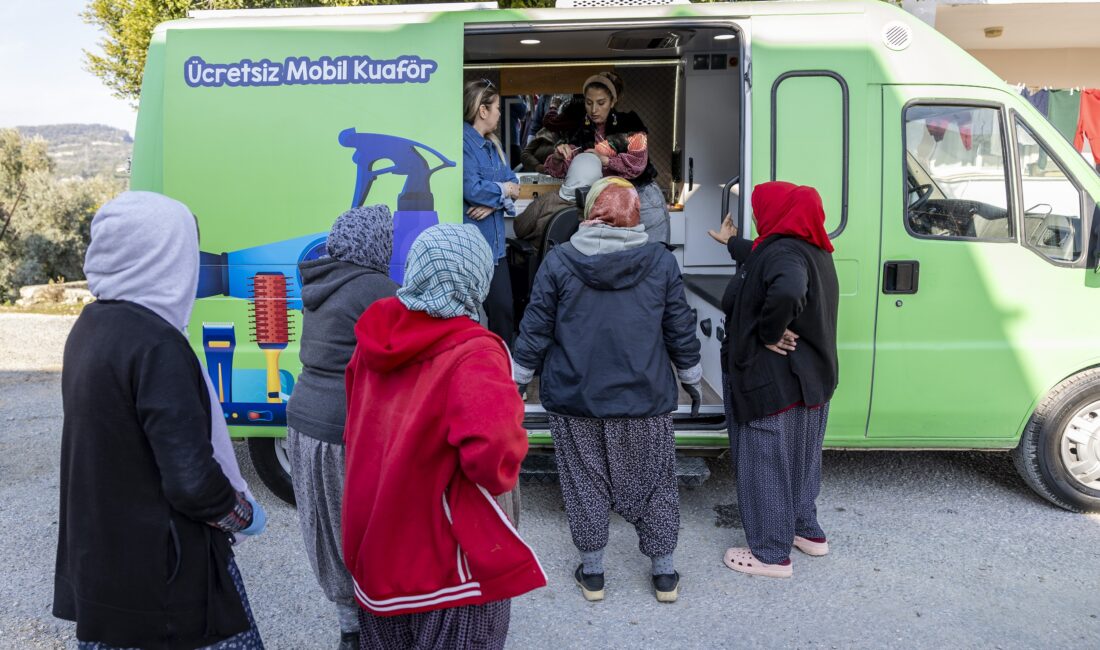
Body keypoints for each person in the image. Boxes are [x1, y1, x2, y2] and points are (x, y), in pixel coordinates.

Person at [54, 191, 266, 649]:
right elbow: (191, 481)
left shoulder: (92, 326)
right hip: (164, 579)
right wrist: (243, 515)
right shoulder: (157, 343)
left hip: (109, 563)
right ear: (163, 255)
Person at [343, 223, 546, 649]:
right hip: (444, 562)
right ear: (474, 279)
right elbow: (495, 458)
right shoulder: (474, 351)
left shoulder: (373, 335)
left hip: (376, 547)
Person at [512, 177, 702, 604]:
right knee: (654, 482)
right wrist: (691, 380)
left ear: (590, 211)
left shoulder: (560, 261)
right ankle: (664, 574)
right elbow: (679, 327)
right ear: (635, 215)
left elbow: (536, 326)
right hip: (644, 398)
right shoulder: (660, 262)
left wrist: (518, 380)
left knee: (585, 482)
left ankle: (594, 573)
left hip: (575, 397)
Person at [708, 181, 840, 579]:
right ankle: (805, 530)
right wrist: (730, 242)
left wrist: (768, 332)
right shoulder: (812, 249)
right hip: (810, 382)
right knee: (801, 460)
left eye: (757, 209)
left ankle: (769, 553)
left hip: (774, 384)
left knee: (764, 462)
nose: (754, 216)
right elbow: (760, 257)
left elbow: (786, 286)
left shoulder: (783, 254)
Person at [285, 205, 398, 650]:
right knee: (364, 529)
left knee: (326, 529)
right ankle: (375, 624)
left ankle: (349, 626)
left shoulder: (322, 280)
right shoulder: (377, 288)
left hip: (303, 421)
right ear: (375, 243)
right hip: (346, 426)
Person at [542, 71, 672, 244]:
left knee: (653, 257)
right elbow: (564, 169)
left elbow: (637, 163)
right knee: (620, 264)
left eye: (601, 103)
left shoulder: (630, 124)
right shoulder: (579, 131)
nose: (594, 110)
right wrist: (558, 157)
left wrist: (605, 160)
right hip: (610, 205)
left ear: (613, 101)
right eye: (589, 103)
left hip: (643, 199)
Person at [463, 78, 521, 345]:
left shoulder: (494, 145)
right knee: (470, 320)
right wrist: (502, 192)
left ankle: (505, 372)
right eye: (497, 107)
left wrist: (494, 200)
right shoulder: (463, 143)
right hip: (474, 250)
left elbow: (516, 185)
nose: (500, 113)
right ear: (482, 110)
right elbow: (471, 189)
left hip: (496, 250)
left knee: (503, 313)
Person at [513, 152, 602, 253]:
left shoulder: (547, 200)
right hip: (578, 265)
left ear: (571, 172)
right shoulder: (602, 208)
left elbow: (519, 229)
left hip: (541, 262)